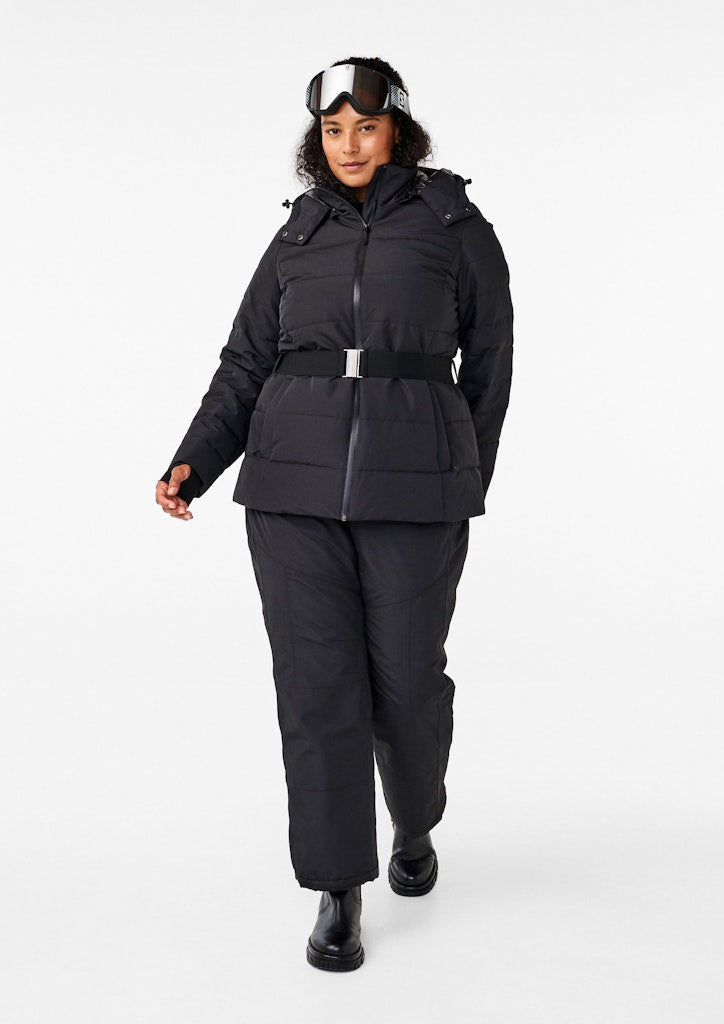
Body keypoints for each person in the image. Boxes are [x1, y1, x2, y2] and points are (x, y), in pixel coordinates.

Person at [155, 56, 514, 971]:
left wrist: (461, 471)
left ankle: (415, 820)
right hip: (289, 489)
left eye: (365, 126)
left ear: (397, 129)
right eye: (332, 130)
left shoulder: (453, 226)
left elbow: (490, 361)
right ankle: (336, 889)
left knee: (407, 684)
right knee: (317, 693)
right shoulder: (298, 233)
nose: (348, 145)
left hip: (414, 489)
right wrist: (196, 459)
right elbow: (246, 360)